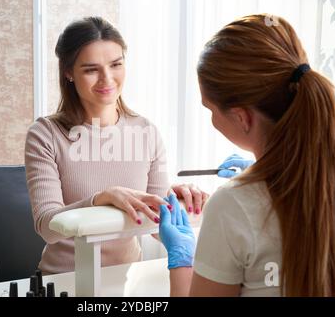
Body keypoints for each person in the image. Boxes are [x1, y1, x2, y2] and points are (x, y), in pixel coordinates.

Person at [159, 14, 335, 297]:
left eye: (210, 109)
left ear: (241, 117)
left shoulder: (231, 207)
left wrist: (181, 262)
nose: (211, 118)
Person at [24, 17, 209, 274]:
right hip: (65, 280)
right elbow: (47, 227)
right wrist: (101, 198)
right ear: (68, 72)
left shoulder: (146, 132)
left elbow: (156, 228)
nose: (107, 79)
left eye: (116, 65)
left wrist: (179, 202)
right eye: (91, 69)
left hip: (128, 281)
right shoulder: (45, 134)